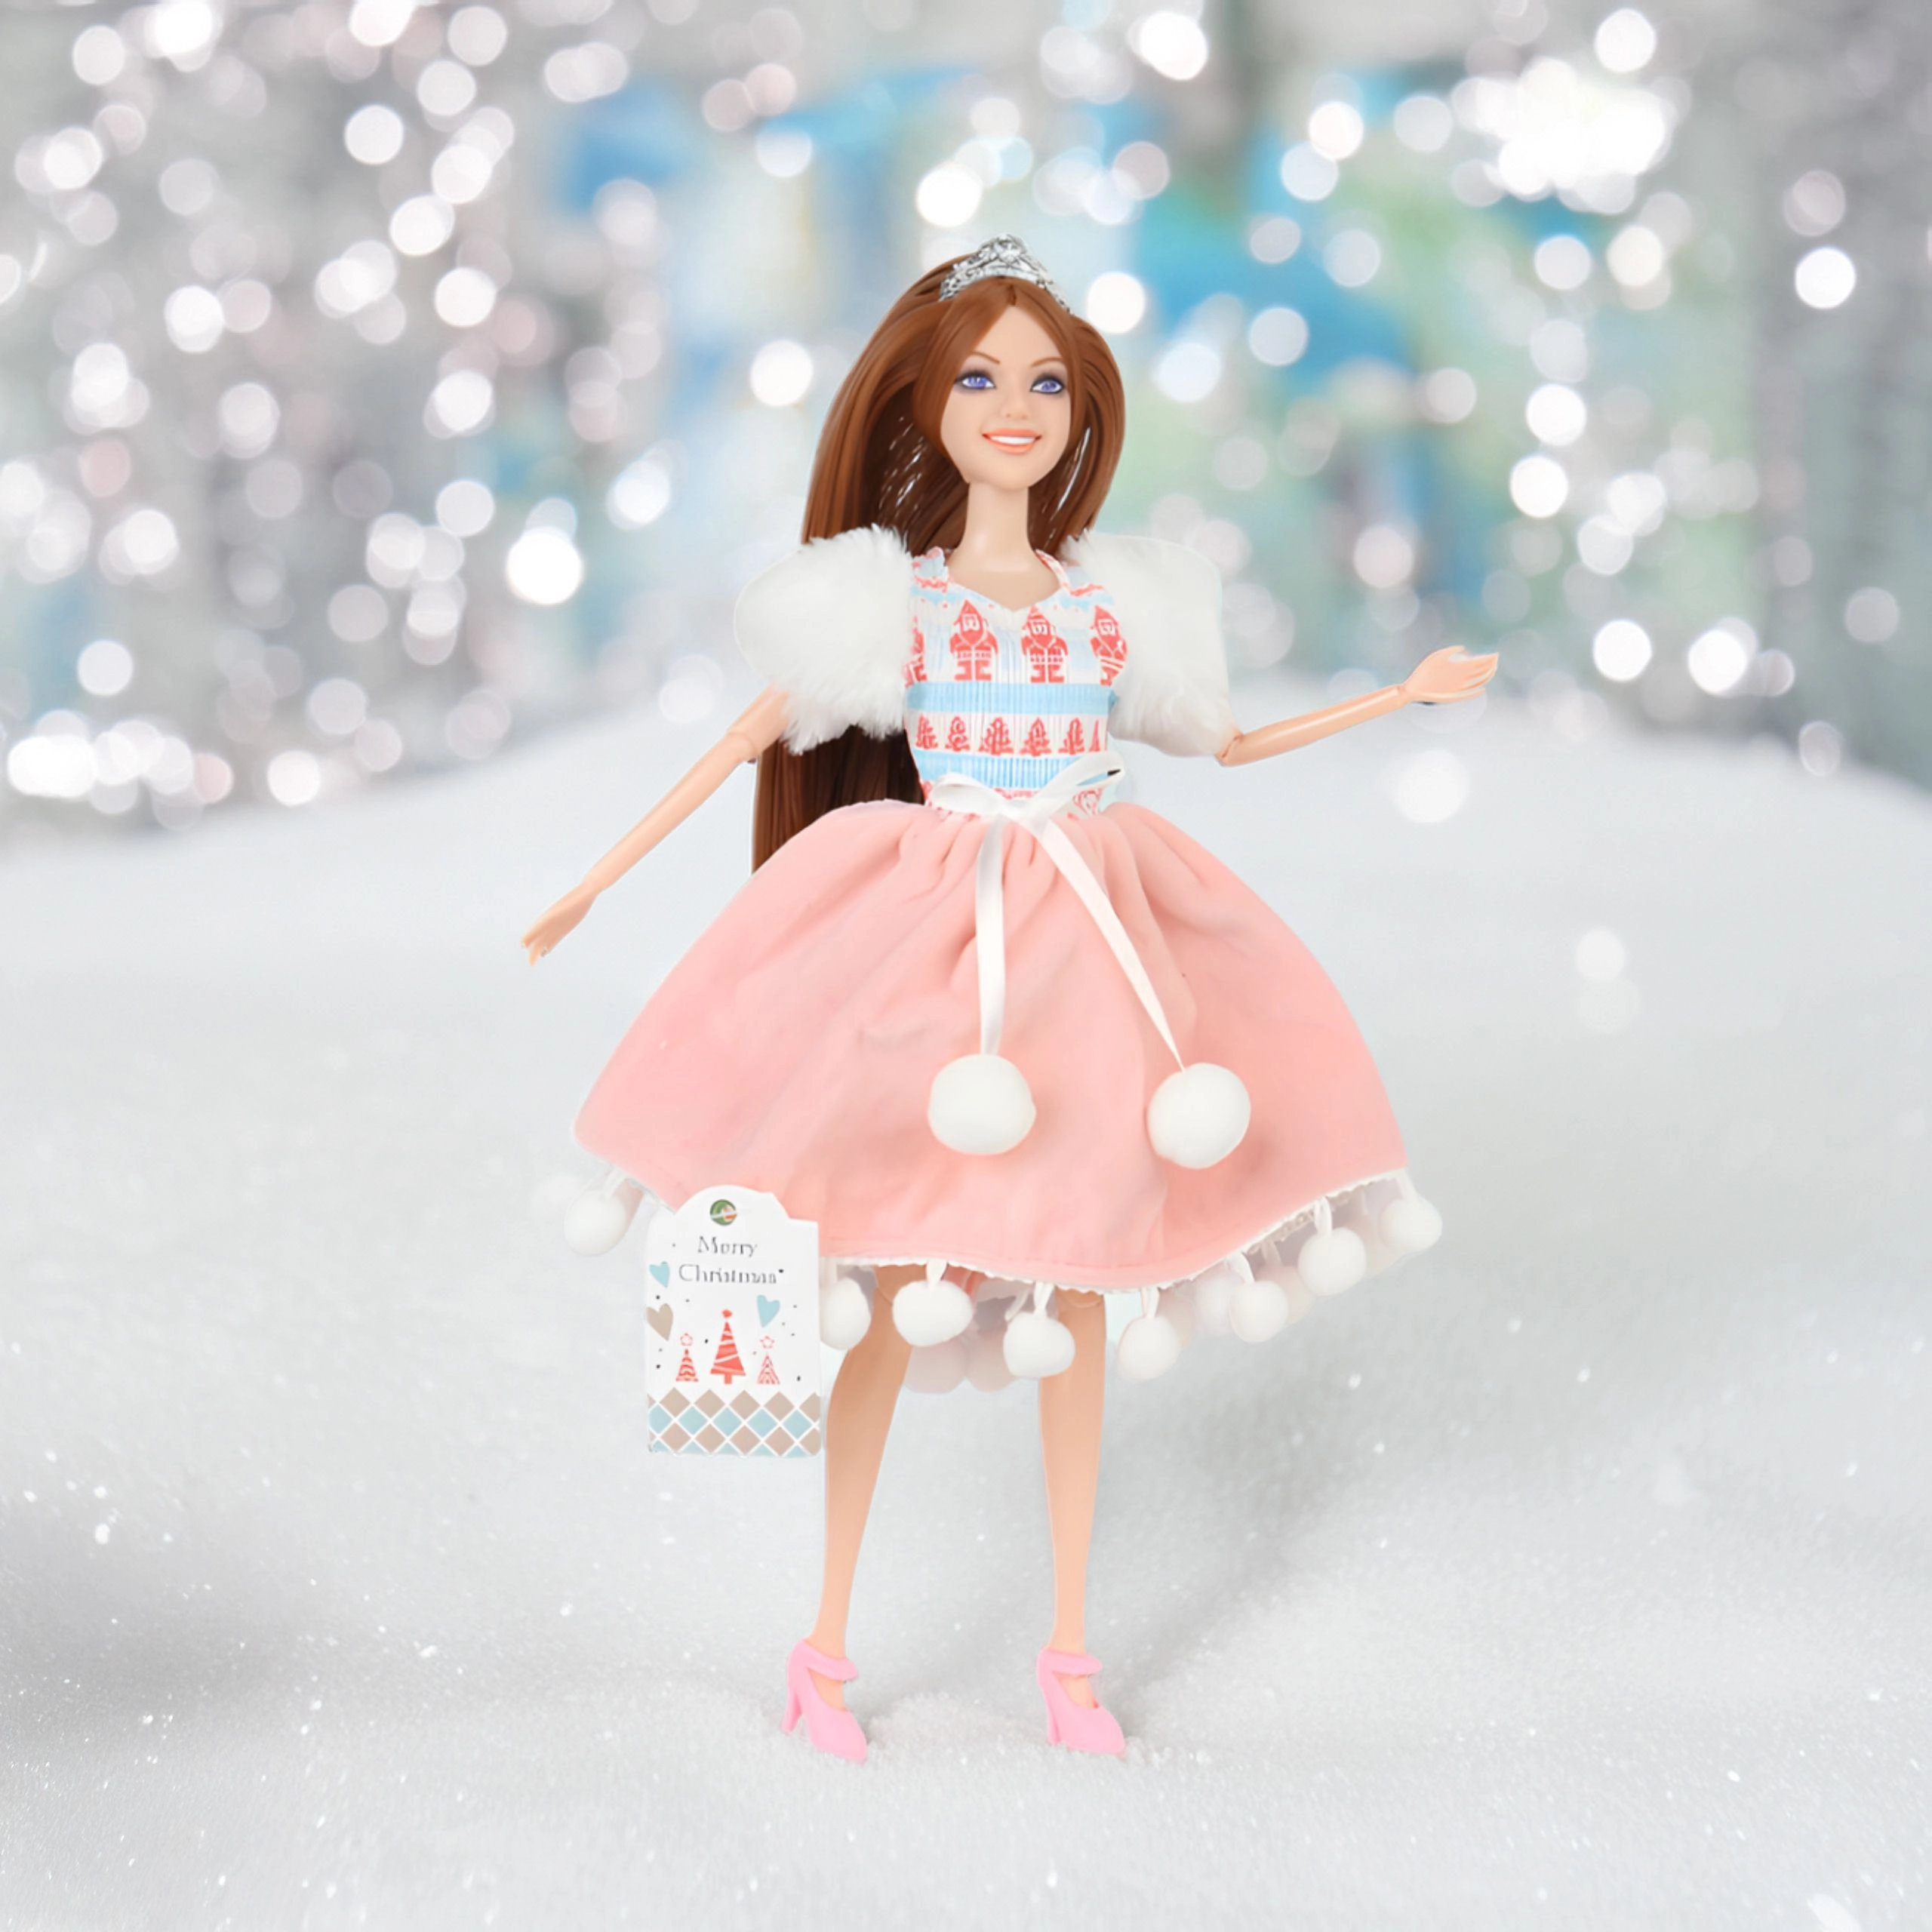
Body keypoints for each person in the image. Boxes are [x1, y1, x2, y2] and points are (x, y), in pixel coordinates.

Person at [522, 236, 1495, 1764]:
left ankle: (1066, 1654)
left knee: (1080, 1274)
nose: (1016, 409)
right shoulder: (889, 604)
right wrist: (594, 879)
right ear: (925, 406)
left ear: (1082, 409)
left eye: (1045, 383)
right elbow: (746, 738)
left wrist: (1396, 694)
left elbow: (1226, 743)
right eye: (980, 379)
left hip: (1091, 940)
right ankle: (822, 1648)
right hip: (930, 934)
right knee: (891, 1277)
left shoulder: (1115, 602)